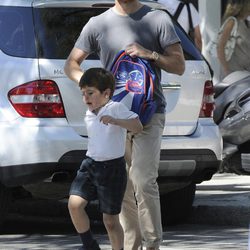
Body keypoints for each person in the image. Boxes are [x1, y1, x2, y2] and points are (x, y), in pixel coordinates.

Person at [64, 1, 185, 249]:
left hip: (149, 114)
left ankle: (152, 244)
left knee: (142, 179)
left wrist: (149, 54)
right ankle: (131, 245)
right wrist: (91, 87)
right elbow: (71, 64)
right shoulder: (98, 24)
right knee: (125, 186)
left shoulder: (157, 19)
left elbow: (179, 65)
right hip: (115, 117)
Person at [68, 67, 143, 250]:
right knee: (74, 205)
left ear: (106, 93)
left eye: (91, 93)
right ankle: (90, 245)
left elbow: (138, 126)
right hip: (90, 164)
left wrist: (117, 121)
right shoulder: (89, 112)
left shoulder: (115, 108)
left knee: (110, 220)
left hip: (112, 169)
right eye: (83, 93)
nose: (86, 98)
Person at [217, 0, 250, 78]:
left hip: (246, 73)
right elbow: (220, 47)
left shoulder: (246, 23)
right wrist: (226, 70)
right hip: (234, 73)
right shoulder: (231, 22)